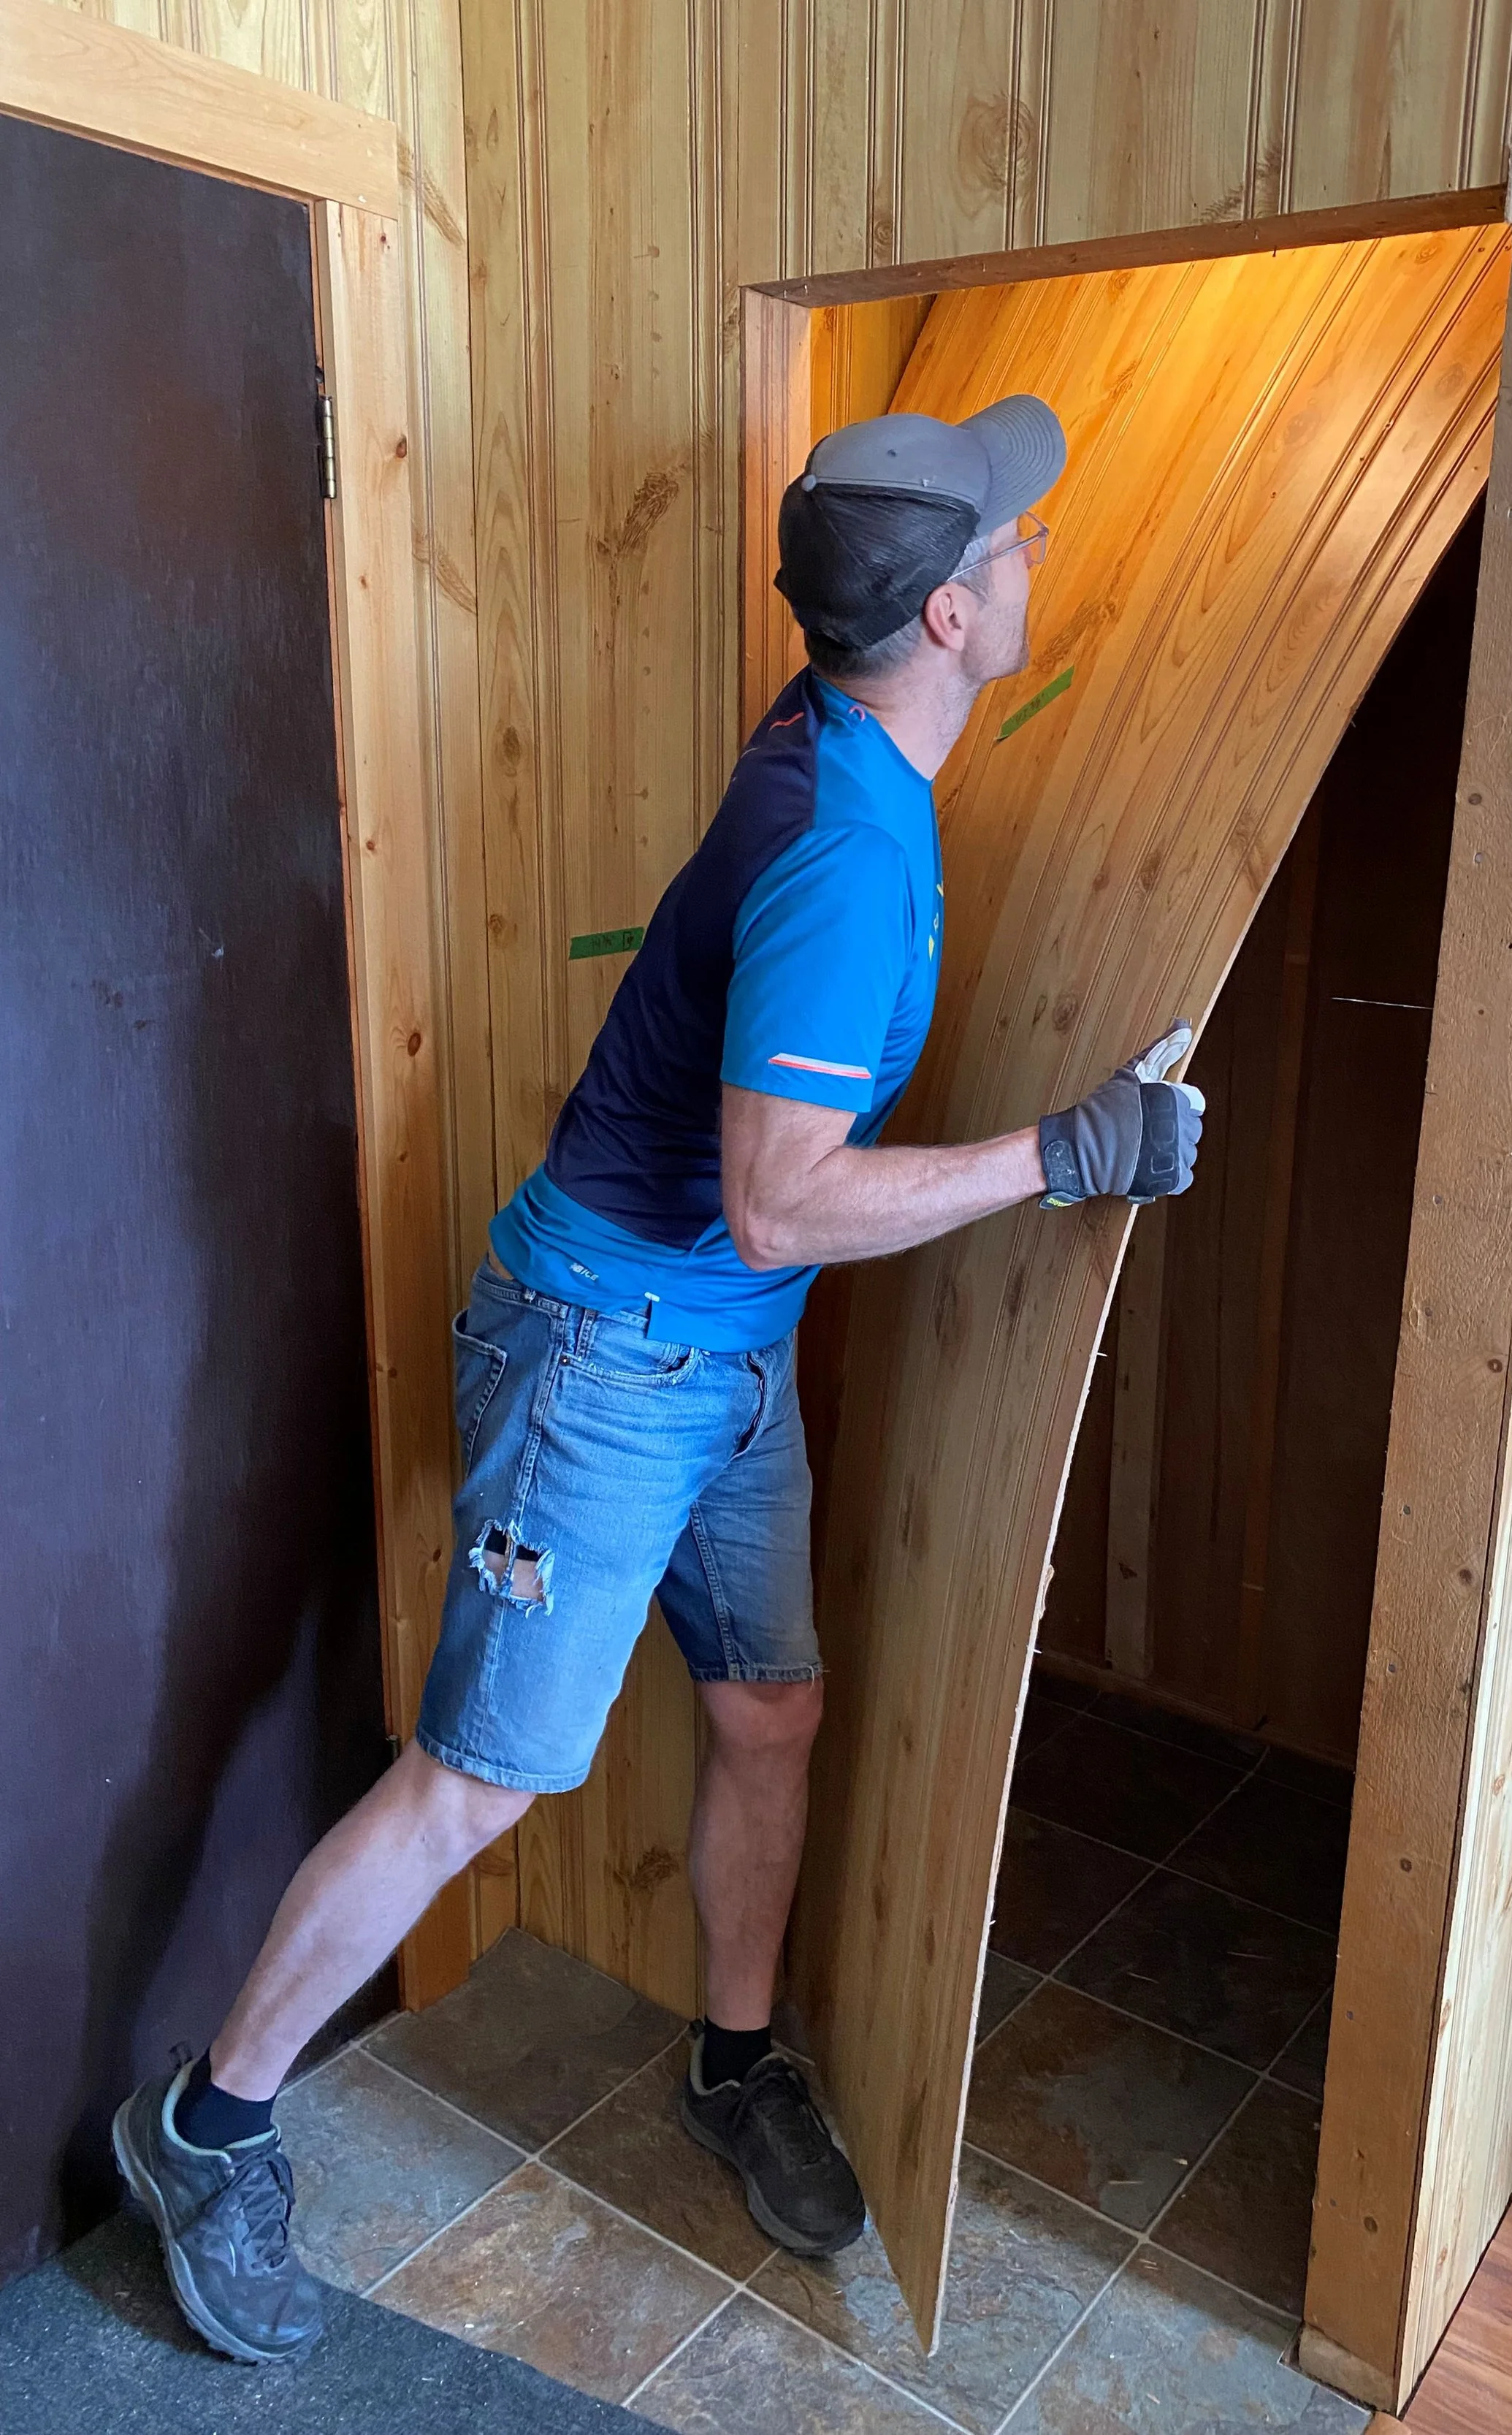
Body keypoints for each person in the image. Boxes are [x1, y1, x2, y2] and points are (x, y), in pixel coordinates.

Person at [112, 396, 1205, 2363]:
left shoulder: (848, 738)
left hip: (717, 1353)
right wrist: (1064, 1153)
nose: (1035, 551)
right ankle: (206, 2124)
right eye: (1012, 542)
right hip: (606, 1361)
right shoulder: (843, 845)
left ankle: (730, 2061)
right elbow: (780, 1201)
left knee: (769, 1710)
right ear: (947, 616)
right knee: (476, 1783)